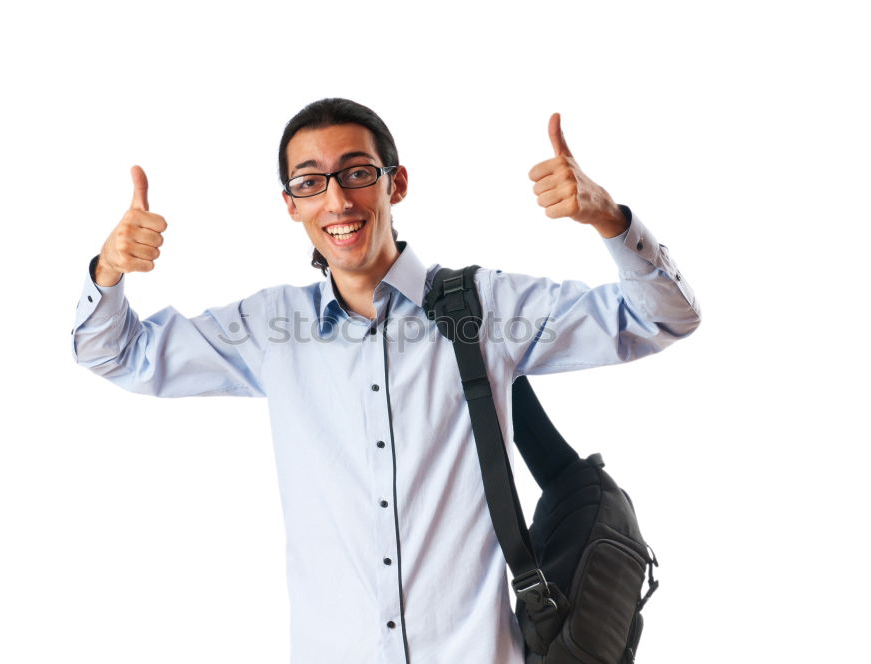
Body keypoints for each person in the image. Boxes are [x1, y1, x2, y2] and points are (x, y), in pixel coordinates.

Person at [71, 97, 700, 663]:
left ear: (395, 183)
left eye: (357, 173)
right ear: (291, 205)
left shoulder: (488, 307)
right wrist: (108, 270)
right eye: (311, 183)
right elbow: (115, 353)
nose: (338, 201)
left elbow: (664, 318)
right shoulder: (269, 329)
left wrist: (609, 220)